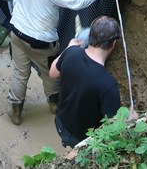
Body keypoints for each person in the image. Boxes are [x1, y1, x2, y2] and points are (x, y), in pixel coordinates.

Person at [6, 0, 104, 126]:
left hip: (17, 34)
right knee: (50, 74)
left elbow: (17, 0)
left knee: (20, 74)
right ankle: (54, 106)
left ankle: (15, 111)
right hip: (41, 43)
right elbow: (74, 1)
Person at [49, 16, 121, 148]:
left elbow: (52, 73)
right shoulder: (108, 84)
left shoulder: (71, 54)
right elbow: (114, 125)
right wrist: (129, 118)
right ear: (113, 44)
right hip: (81, 140)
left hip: (60, 122)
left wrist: (68, 48)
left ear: (90, 35)